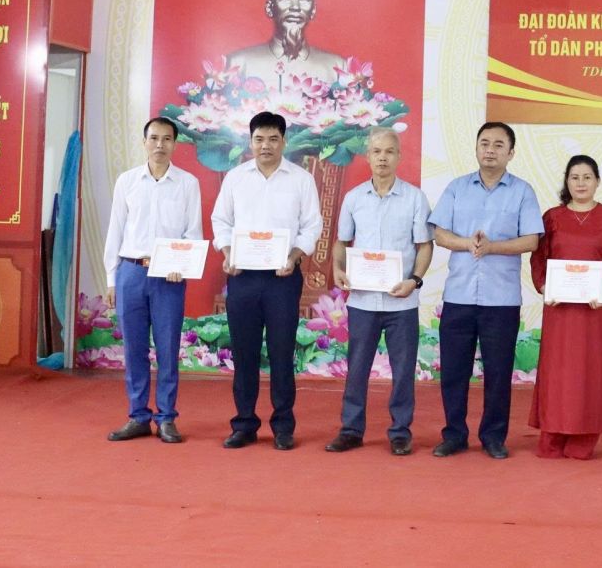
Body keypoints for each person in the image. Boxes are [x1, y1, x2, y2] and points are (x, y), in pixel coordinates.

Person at [429, 121, 543, 459]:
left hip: (501, 299)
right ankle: (454, 434)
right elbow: (439, 233)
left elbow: (532, 240)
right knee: (454, 371)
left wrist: (493, 247)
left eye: (498, 145)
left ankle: (493, 436)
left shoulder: (522, 191)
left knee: (498, 372)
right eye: (484, 143)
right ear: (477, 148)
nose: (490, 150)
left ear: (511, 152)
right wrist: (468, 243)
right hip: (459, 295)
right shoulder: (457, 188)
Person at [212, 111, 321, 450]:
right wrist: (228, 252)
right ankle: (244, 423)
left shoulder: (301, 179)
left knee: (281, 352)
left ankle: (283, 426)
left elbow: (312, 226)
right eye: (259, 139)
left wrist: (294, 256)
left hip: (282, 278)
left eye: (273, 139)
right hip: (242, 277)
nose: (266, 146)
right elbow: (221, 221)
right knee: (244, 353)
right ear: (250, 142)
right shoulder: (235, 178)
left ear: (284, 142)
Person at [326, 127, 434, 456]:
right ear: (368, 156)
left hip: (402, 301)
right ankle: (351, 430)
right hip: (363, 300)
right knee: (357, 368)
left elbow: (424, 246)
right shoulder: (354, 198)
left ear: (399, 156)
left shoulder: (415, 198)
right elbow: (341, 242)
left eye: (389, 151)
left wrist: (414, 280)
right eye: (376, 151)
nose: (383, 157)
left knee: (403, 371)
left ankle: (400, 431)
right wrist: (338, 270)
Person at [104, 117, 203, 445]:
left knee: (167, 348)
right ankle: (138, 416)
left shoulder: (187, 183)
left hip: (168, 277)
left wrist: (181, 265)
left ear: (175, 143)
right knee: (134, 348)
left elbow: (193, 233)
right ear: (144, 142)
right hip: (131, 272)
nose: (160, 145)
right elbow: (116, 230)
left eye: (167, 139)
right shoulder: (127, 181)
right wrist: (111, 278)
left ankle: (166, 418)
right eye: (154, 138)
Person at [529, 155, 602, 460]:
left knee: (590, 371)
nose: (581, 183)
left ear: (597, 181)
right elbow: (539, 257)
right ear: (567, 181)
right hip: (559, 309)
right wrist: (544, 287)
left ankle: (584, 438)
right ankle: (552, 435)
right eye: (575, 177)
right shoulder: (551, 218)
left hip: (595, 309)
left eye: (587, 177)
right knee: (557, 371)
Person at [225, 0, 344, 88]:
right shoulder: (239, 64)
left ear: (313, 11)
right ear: (269, 8)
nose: (295, 7)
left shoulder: (337, 67)